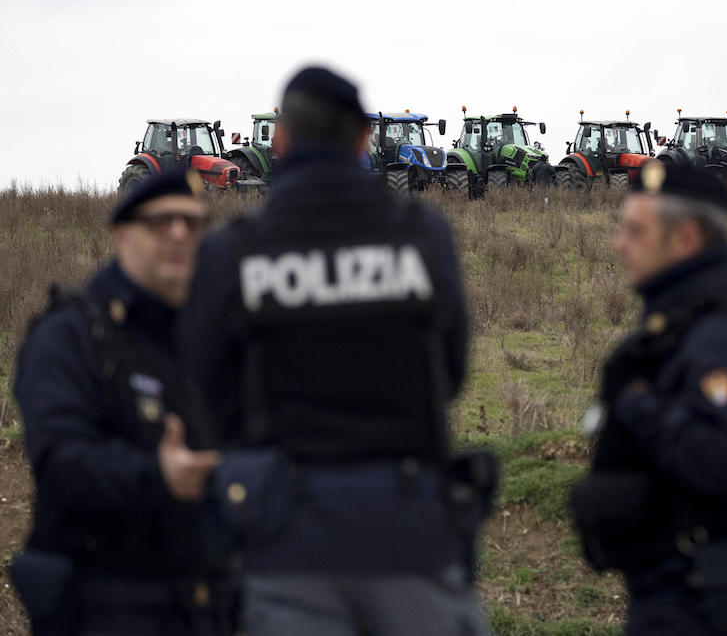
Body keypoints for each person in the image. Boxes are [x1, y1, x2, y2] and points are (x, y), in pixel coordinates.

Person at [179, 65, 493, 635]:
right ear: (363, 139)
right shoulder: (421, 235)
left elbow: (204, 389)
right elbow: (450, 372)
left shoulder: (234, 252)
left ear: (280, 139)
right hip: (411, 530)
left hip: (288, 539)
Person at [570, 160, 727, 636]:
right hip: (693, 589)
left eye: (636, 231)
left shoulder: (716, 336)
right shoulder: (687, 320)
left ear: (686, 240)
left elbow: (724, 459)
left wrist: (637, 406)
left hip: (710, 602)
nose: (620, 243)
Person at [13, 171, 229, 636]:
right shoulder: (72, 336)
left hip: (199, 601)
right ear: (122, 235)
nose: (177, 235)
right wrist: (157, 475)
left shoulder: (205, 339)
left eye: (191, 224)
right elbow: (59, 460)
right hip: (104, 600)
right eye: (160, 223)